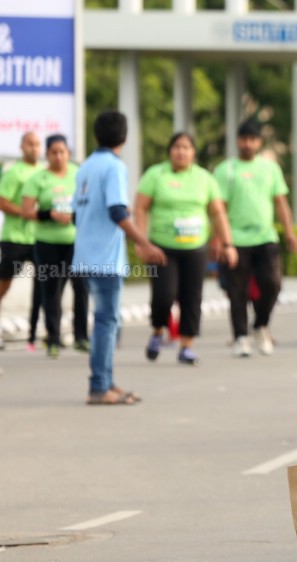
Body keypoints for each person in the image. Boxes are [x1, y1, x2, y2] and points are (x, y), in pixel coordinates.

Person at [73, 110, 166, 406]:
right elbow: (117, 210)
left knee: (105, 321)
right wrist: (144, 242)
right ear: (124, 137)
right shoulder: (114, 167)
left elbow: (78, 214)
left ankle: (106, 383)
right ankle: (99, 386)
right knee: (106, 322)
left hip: (85, 255)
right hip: (104, 259)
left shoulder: (85, 166)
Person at [135, 132, 236, 366]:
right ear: (170, 151)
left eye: (186, 147)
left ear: (193, 153)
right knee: (164, 296)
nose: (181, 152)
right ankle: (158, 331)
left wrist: (228, 244)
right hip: (162, 248)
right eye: (177, 147)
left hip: (195, 247)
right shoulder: (155, 175)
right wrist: (141, 241)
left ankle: (187, 346)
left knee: (192, 297)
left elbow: (217, 213)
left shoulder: (204, 178)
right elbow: (140, 207)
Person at [213, 119, 297, 358]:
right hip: (236, 239)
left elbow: (281, 202)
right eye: (244, 139)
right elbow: (219, 208)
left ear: (259, 142)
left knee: (272, 284)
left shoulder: (270, 169)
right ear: (238, 141)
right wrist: (219, 239)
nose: (248, 144)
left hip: (265, 236)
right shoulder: (226, 169)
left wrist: (289, 231)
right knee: (237, 290)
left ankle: (261, 324)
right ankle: (241, 336)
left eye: (252, 139)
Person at [20, 134, 83, 358]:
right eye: (53, 152)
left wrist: (74, 216)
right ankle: (53, 338)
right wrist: (49, 214)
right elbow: (26, 211)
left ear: (69, 153)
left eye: (62, 152)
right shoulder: (39, 179)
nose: (58, 156)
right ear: (47, 155)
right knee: (51, 290)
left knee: (81, 287)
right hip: (46, 243)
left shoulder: (78, 174)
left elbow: (89, 202)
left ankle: (81, 336)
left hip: (75, 242)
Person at [0, 131, 41, 351]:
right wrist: (25, 212)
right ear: (21, 147)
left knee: (44, 285)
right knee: (4, 284)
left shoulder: (44, 173)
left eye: (37, 144)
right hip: (14, 238)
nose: (34, 148)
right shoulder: (14, 172)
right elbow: (2, 202)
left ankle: (36, 335)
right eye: (30, 144)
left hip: (39, 238)